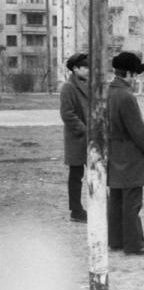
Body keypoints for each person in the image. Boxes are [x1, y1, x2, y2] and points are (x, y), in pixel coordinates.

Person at [107, 52, 144, 255]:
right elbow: (138, 130)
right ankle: (135, 244)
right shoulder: (126, 96)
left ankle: (116, 240)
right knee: (132, 203)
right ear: (127, 73)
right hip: (130, 156)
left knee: (116, 199)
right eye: (134, 74)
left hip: (113, 153)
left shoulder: (107, 92)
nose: (135, 78)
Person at [59, 53, 89, 223]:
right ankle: (76, 210)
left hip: (90, 138)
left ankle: (101, 205)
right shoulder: (68, 87)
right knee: (76, 175)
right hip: (77, 139)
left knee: (97, 173)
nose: (88, 70)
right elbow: (67, 114)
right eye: (84, 67)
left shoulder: (89, 85)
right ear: (75, 69)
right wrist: (85, 130)